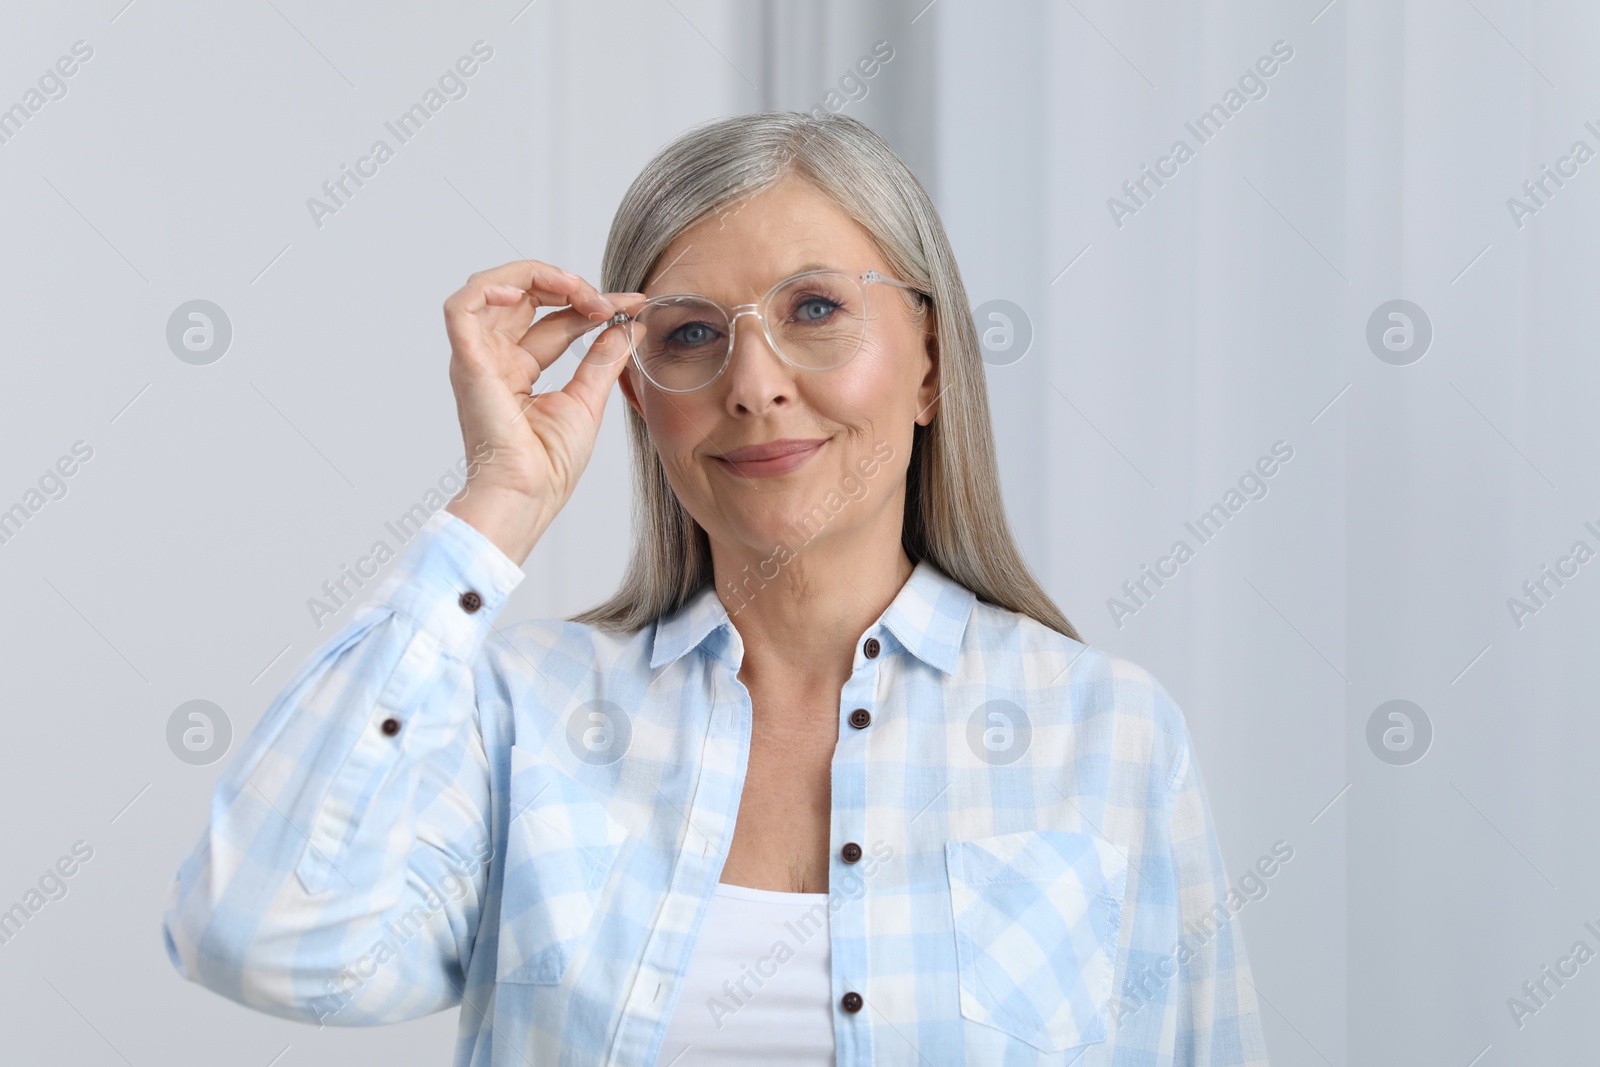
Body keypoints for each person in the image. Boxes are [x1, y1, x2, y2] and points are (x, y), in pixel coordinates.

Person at [162, 111, 1270, 1065]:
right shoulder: (523, 715)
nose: (753, 385)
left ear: (929, 362)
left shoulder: (1107, 734)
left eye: (816, 309)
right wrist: (499, 498)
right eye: (690, 333)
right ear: (642, 400)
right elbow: (258, 935)